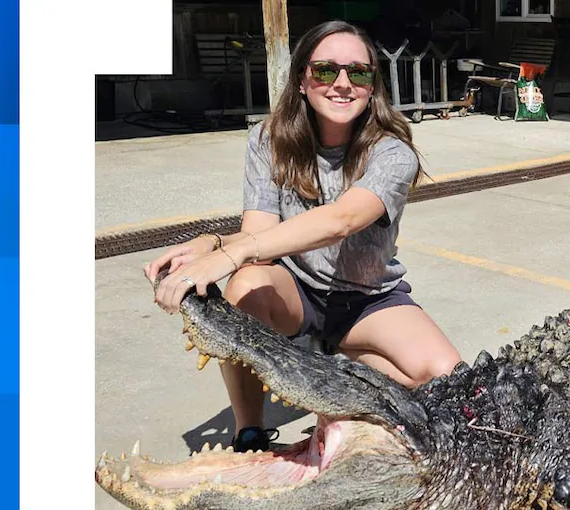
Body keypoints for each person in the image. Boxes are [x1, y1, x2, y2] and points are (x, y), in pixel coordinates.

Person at [144, 20, 463, 452]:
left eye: (360, 72)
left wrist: (227, 253)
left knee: (449, 380)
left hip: (368, 299)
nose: (343, 84)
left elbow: (343, 219)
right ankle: (249, 431)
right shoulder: (269, 139)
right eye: (326, 71)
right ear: (301, 80)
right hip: (295, 293)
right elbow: (258, 235)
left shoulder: (392, 151)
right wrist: (213, 245)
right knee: (246, 286)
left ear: (374, 86)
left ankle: (344, 367)